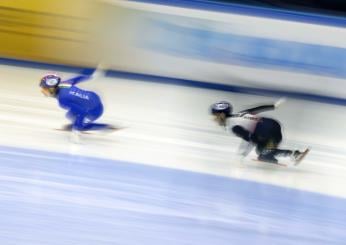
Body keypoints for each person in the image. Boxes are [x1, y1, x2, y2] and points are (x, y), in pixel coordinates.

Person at [210, 99, 305, 164]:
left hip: (269, 134)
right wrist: (273, 106)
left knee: (262, 152)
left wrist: (240, 156)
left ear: (222, 115)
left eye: (215, 116)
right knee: (261, 149)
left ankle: (289, 155)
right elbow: (257, 109)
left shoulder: (233, 126)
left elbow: (248, 138)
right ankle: (276, 154)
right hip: (274, 127)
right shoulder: (240, 114)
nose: (213, 119)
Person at [39, 67, 114, 133]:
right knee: (70, 115)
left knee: (78, 122)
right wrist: (90, 76)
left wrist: (77, 127)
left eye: (44, 88)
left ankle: (105, 127)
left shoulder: (63, 100)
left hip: (94, 110)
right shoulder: (64, 84)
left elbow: (82, 112)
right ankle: (78, 125)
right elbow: (78, 78)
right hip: (93, 97)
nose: (42, 91)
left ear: (52, 89)